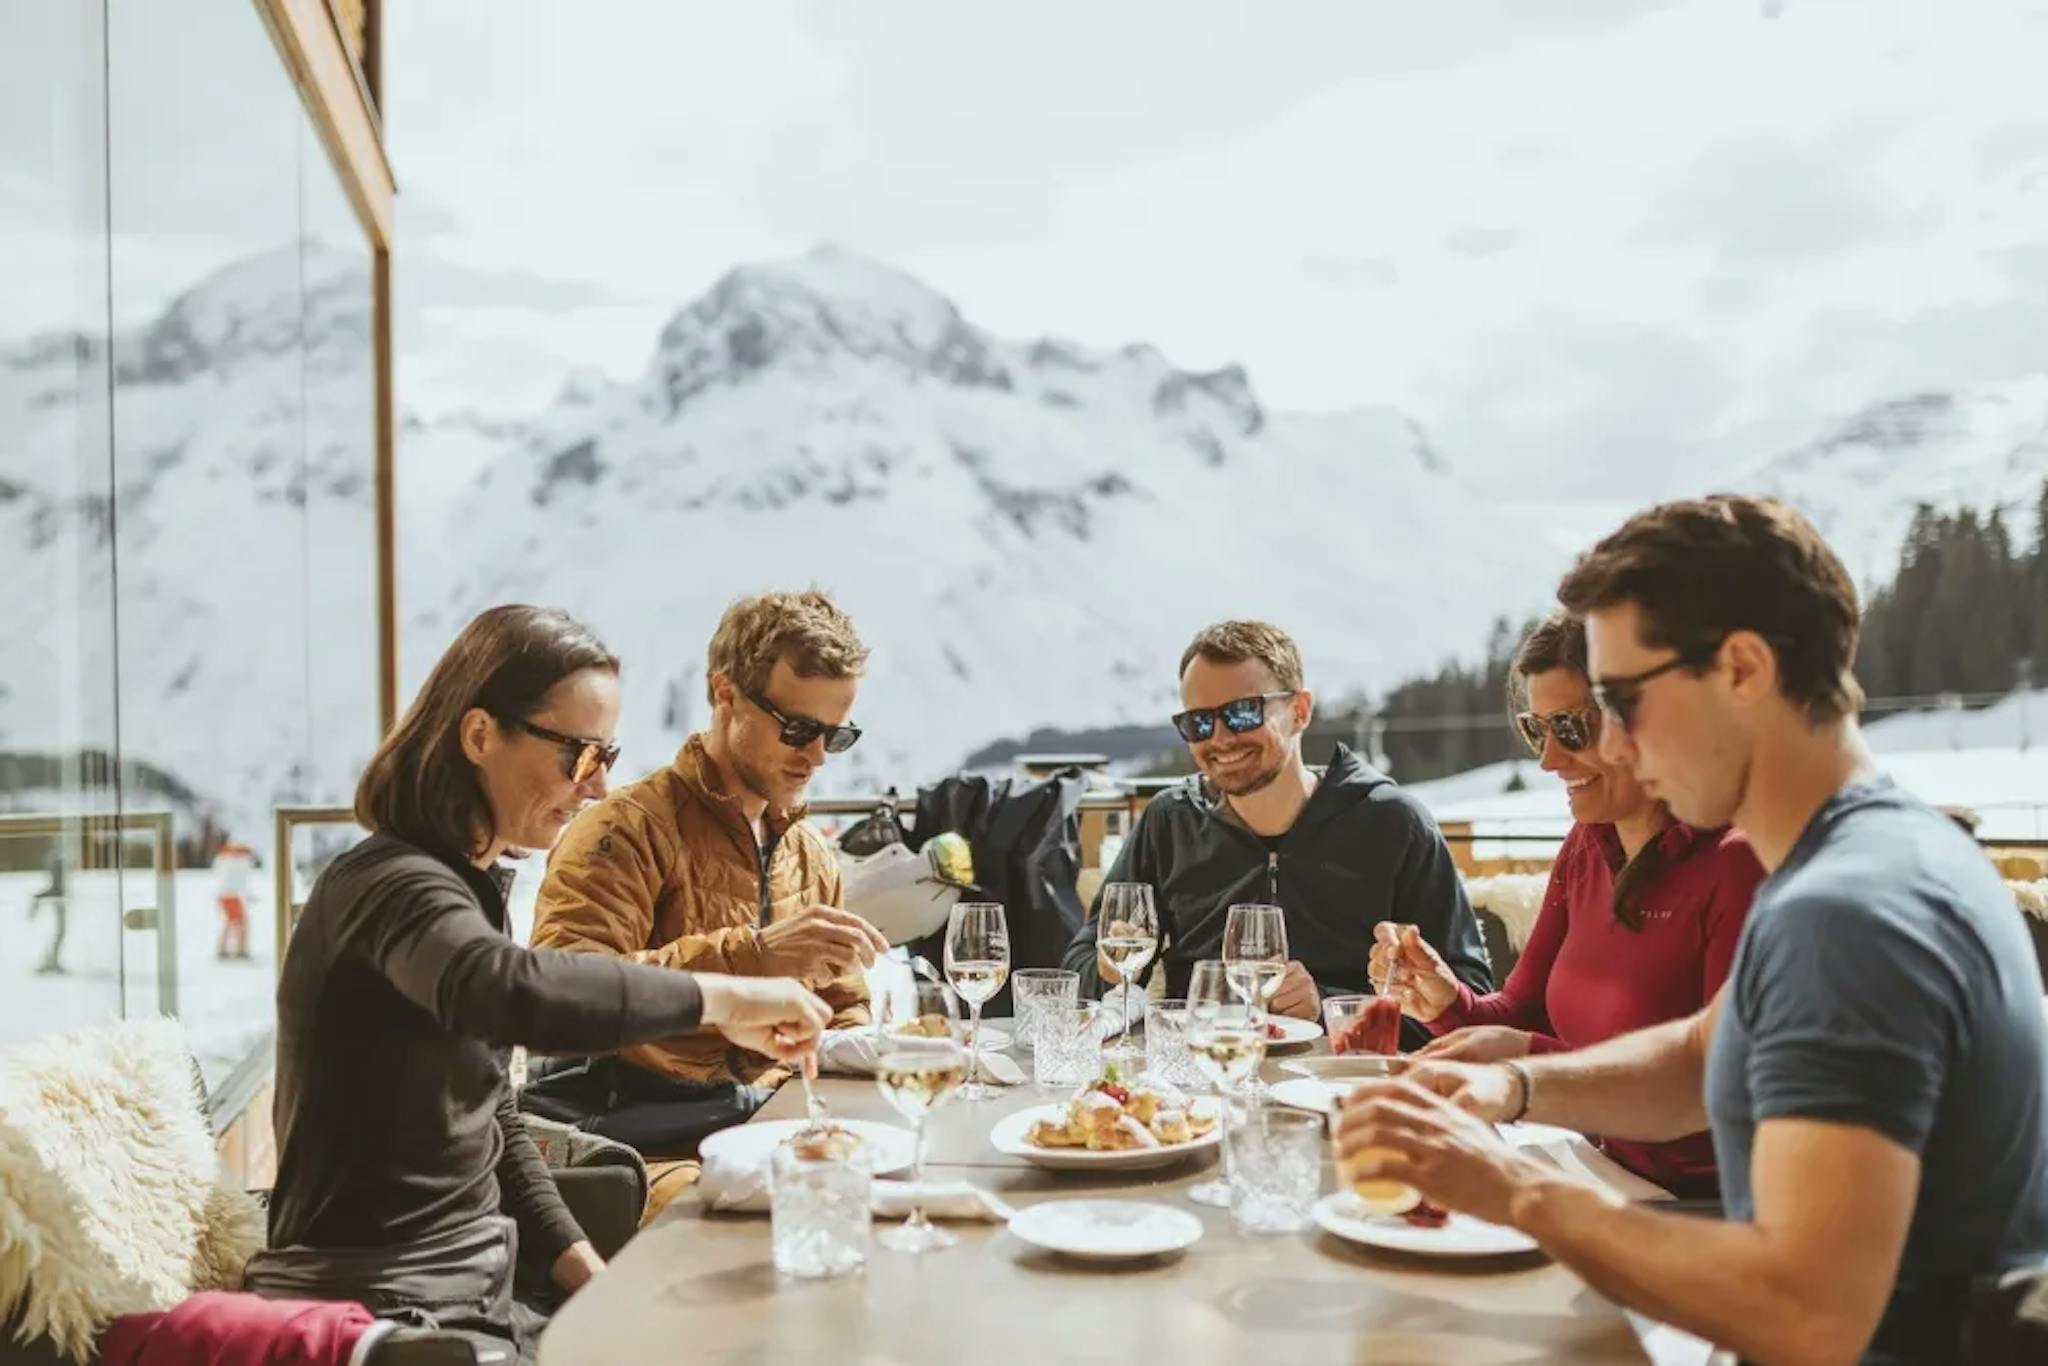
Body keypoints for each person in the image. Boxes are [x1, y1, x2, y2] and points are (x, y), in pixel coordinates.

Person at [1337, 496, 2048, 1365]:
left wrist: (1514, 1189)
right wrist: (1515, 1086)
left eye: (1622, 700)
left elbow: (1807, 1312)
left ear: (1743, 669)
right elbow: (1707, 1057)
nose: (1617, 746)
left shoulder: (1847, 916)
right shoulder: (1880, 847)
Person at [252, 605, 831, 1360]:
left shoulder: (469, 889)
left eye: (607, 758)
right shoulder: (389, 884)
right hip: (381, 1317)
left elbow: (492, 1121)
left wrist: (592, 1276)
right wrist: (727, 996)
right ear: (479, 734)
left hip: (478, 1300)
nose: (595, 789)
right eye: (579, 756)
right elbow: (509, 989)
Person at [1368, 613, 1763, 1198]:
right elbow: (1520, 1014)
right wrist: (1448, 1003)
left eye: (1572, 729)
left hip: (1693, 1210)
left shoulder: (1738, 865)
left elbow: (1718, 1096)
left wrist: (1528, 1066)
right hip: (1588, 1167)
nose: (1548, 760)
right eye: (1536, 730)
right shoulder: (1587, 847)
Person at [525, 590, 886, 1152]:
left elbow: (842, 1008)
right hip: (656, 1145)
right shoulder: (624, 829)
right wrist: (753, 957)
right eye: (796, 729)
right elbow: (563, 996)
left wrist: (864, 1042)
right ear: (726, 694)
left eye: (834, 736)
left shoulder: (810, 854)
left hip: (777, 1129)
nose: (815, 756)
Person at [1060, 620, 1491, 1035]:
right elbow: (1077, 965)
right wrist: (1105, 965)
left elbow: (1469, 998)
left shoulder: (1393, 823)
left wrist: (1329, 1006)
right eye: (1199, 723)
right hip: (1201, 1077)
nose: (1221, 738)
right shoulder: (1170, 820)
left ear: (1300, 711)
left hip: (1344, 1080)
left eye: (1244, 713)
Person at [213, 838, 253, 960]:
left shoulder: (225, 859)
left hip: (229, 896)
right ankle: (238, 949)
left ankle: (229, 948)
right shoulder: (236, 860)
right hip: (229, 896)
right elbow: (237, 881)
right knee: (239, 922)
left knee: (235, 922)